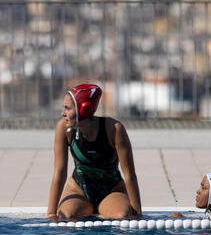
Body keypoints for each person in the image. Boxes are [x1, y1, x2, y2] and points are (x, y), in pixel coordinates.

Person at [47, 83, 141, 221]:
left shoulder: (113, 129)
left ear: (83, 109)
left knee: (122, 217)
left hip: (111, 190)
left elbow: (129, 174)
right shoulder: (63, 128)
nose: (63, 113)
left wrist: (137, 215)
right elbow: (59, 172)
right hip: (78, 190)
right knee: (66, 217)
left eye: (67, 108)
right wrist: (51, 214)